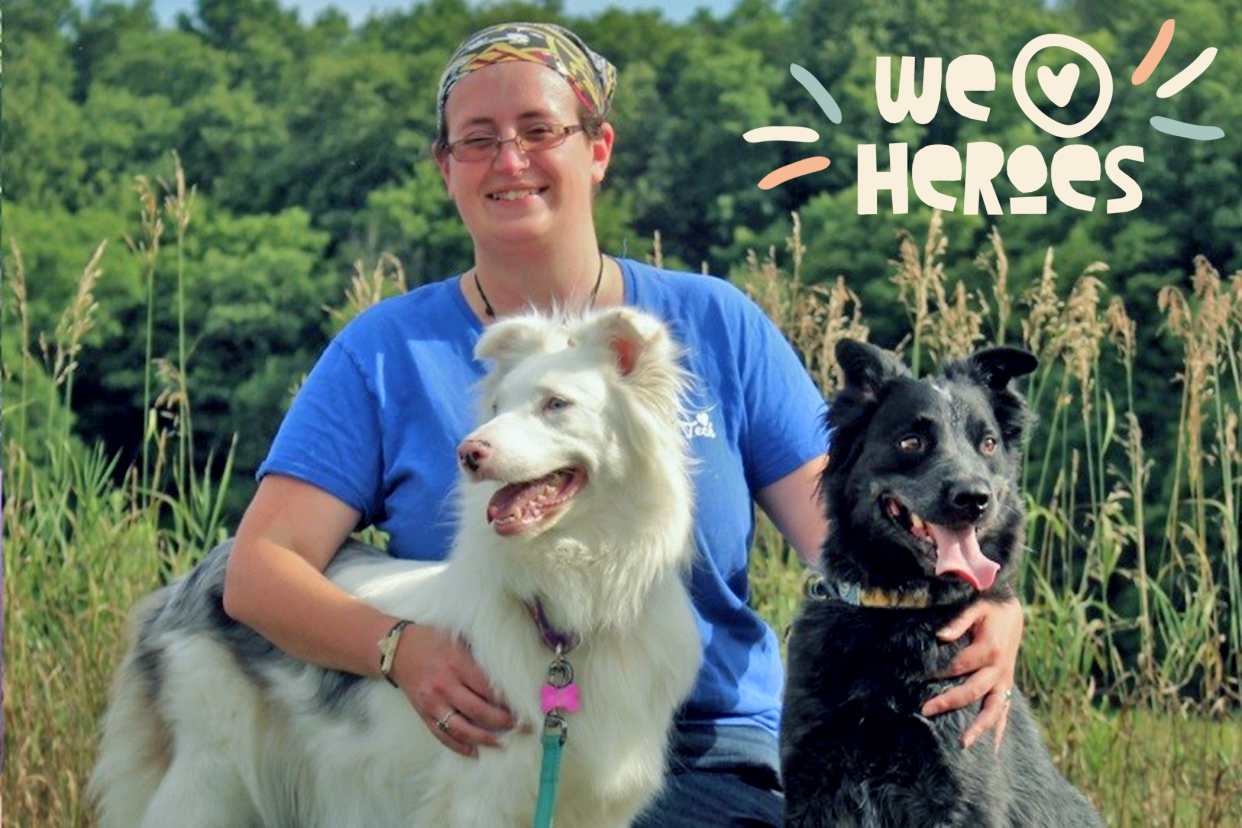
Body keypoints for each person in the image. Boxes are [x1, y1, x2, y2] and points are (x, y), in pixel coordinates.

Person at [222, 21, 1025, 827]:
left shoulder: (716, 327)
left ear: (597, 149)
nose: (510, 160)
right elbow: (261, 570)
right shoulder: (385, 353)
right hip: (488, 756)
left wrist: (990, 602)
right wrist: (398, 650)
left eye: (540, 131)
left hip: (702, 755)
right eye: (477, 140)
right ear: (446, 168)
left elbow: (857, 536)